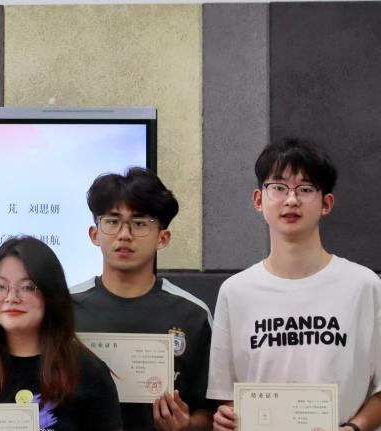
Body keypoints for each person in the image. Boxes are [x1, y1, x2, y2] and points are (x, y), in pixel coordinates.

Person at [207, 138, 381, 431]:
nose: (291, 200)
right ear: (259, 200)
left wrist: (353, 429)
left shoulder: (364, 286)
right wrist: (226, 417)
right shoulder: (235, 292)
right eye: (278, 187)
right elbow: (225, 393)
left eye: (305, 189)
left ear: (326, 203)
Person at [0, 236, 122, 431]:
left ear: (51, 293)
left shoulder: (89, 372)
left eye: (27, 287)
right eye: (0, 286)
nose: (11, 297)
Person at [72, 167, 213, 431]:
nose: (124, 234)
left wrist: (186, 425)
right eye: (112, 221)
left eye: (139, 223)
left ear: (163, 237)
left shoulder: (192, 314)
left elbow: (209, 413)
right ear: (95, 234)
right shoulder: (65, 309)